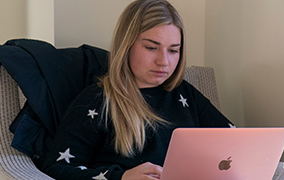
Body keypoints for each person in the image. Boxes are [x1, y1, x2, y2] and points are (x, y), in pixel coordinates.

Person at [41, 0, 234, 179]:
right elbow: (57, 167)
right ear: (127, 45)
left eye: (173, 50)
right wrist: (122, 177)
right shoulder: (99, 100)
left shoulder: (185, 93)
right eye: (151, 48)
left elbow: (235, 142)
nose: (163, 61)